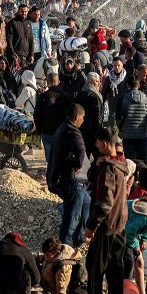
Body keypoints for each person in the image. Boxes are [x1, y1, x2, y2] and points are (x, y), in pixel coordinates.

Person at [80, 127, 129, 294]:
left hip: (106, 226)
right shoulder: (120, 164)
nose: (96, 145)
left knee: (94, 267)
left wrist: (92, 225)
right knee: (116, 268)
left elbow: (104, 202)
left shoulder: (109, 169)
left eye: (98, 142)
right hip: (120, 224)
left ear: (105, 143)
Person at [50, 104, 90, 247]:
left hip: (69, 179)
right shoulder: (73, 132)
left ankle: (79, 239)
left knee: (86, 204)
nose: (83, 121)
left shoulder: (61, 129)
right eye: (83, 118)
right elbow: (80, 151)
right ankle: (66, 246)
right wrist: (78, 165)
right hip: (71, 180)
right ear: (77, 116)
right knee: (72, 216)